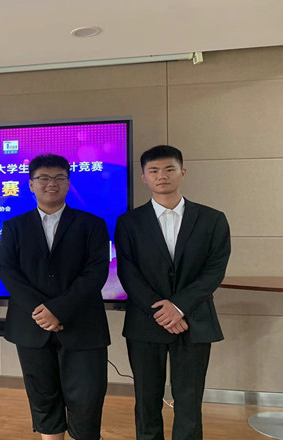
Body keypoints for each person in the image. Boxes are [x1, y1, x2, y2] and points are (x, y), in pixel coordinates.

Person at [115, 145, 230, 440]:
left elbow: (214, 271)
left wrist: (178, 307)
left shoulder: (212, 219)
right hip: (145, 322)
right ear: (144, 177)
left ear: (182, 172)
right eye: (153, 171)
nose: (161, 176)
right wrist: (161, 310)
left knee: (189, 400)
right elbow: (128, 272)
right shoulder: (128, 222)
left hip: (194, 320)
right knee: (146, 399)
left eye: (169, 169)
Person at [0, 154, 110, 440]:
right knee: (43, 398)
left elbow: (96, 273)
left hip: (82, 325)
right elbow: (8, 272)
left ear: (68, 183)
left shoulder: (92, 224)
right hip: (31, 326)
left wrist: (58, 309)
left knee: (87, 399)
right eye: (44, 178)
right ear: (30, 184)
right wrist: (41, 311)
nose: (52, 184)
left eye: (59, 178)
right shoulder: (14, 226)